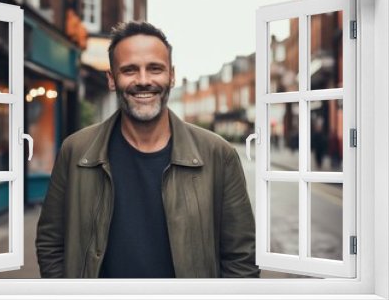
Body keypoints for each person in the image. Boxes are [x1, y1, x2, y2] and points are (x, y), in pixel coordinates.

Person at [36, 21, 260, 278]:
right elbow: (50, 243)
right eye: (130, 70)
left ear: (172, 76)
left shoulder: (218, 155)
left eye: (155, 69)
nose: (143, 81)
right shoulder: (75, 151)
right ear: (112, 79)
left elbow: (241, 258)